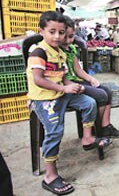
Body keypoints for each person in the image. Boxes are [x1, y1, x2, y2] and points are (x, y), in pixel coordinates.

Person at [26, 11, 111, 195]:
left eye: (62, 32)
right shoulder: (39, 52)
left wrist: (71, 86)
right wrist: (64, 89)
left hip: (60, 92)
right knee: (55, 131)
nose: (58, 36)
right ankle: (50, 176)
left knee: (89, 102)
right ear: (41, 31)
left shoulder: (60, 52)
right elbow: (38, 79)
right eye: (52, 31)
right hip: (45, 98)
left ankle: (87, 138)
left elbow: (63, 76)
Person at [61, 15, 119, 138]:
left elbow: (78, 70)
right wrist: (73, 85)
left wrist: (91, 79)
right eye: (64, 36)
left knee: (107, 91)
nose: (68, 40)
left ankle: (105, 126)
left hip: (76, 81)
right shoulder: (55, 52)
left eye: (71, 37)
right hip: (66, 87)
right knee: (101, 95)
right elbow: (58, 78)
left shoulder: (71, 49)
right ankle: (96, 129)